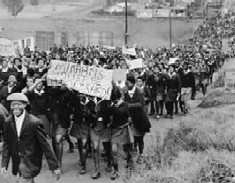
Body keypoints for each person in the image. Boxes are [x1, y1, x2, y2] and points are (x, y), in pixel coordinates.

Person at [1, 93, 61, 183]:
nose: (15, 107)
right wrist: (4, 165)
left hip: (30, 163)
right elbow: (7, 144)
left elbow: (45, 145)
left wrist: (54, 167)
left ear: (25, 105)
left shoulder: (34, 122)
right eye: (13, 104)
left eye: (19, 104)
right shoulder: (8, 122)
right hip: (17, 163)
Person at [124, 74, 151, 165]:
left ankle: (141, 154)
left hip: (140, 117)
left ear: (132, 83)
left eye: (128, 83)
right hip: (131, 118)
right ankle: (134, 150)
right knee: (133, 136)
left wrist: (129, 105)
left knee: (140, 137)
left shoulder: (139, 92)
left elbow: (141, 104)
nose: (127, 85)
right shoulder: (126, 93)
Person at [108, 87, 133, 180]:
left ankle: (129, 166)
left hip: (124, 128)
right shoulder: (111, 106)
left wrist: (112, 106)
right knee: (114, 150)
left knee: (127, 149)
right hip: (115, 130)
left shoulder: (125, 104)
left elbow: (119, 112)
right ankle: (116, 170)